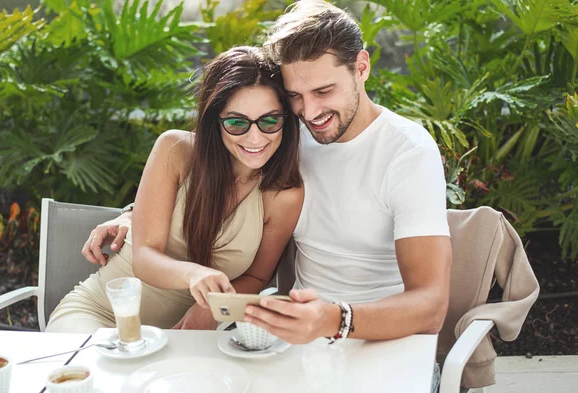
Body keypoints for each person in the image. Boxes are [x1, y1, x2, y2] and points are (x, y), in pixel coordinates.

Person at [86, 0, 452, 342]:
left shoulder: (408, 152)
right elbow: (216, 173)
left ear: (362, 67)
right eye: (295, 96)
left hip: (379, 337)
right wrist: (134, 217)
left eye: (324, 91)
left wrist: (334, 320)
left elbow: (431, 306)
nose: (310, 112)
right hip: (296, 338)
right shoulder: (286, 138)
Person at [46, 46, 304, 333]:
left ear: (286, 120)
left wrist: (211, 308)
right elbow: (144, 258)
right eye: (236, 122)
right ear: (214, 121)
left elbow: (257, 276)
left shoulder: (284, 195)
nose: (255, 137)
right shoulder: (176, 150)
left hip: (184, 336)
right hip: (99, 314)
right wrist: (194, 275)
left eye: (270, 120)